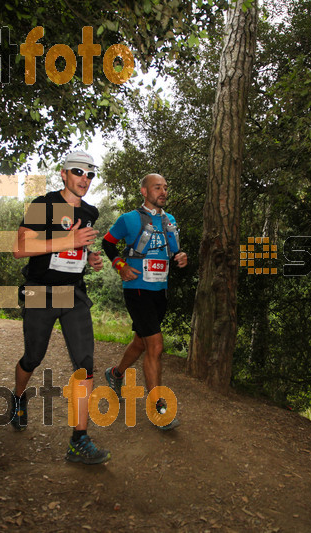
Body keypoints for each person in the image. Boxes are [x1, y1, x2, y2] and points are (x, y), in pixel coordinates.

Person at [10, 150, 110, 465]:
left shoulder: (91, 211)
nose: (85, 178)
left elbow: (79, 246)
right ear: (64, 174)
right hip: (40, 291)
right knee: (33, 357)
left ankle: (79, 441)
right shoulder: (45, 204)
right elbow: (19, 248)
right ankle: (18, 397)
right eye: (78, 172)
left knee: (85, 363)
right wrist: (69, 241)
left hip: (73, 293)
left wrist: (89, 257)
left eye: (90, 174)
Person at [101, 173, 188, 431]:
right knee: (156, 346)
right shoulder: (128, 219)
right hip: (137, 289)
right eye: (157, 187)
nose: (163, 192)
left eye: (165, 187)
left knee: (142, 342)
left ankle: (115, 374)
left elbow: (174, 253)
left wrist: (181, 257)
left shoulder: (169, 220)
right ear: (144, 191)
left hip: (159, 291)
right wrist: (120, 266)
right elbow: (108, 244)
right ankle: (158, 408)